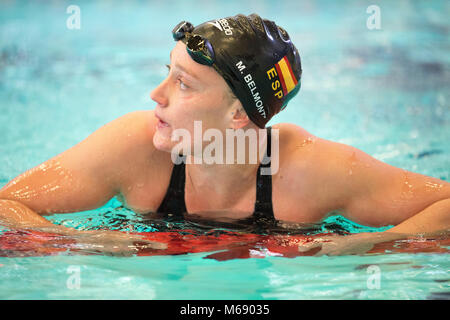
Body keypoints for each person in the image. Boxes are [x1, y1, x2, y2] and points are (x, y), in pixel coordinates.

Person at [0, 14, 449, 256]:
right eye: (167, 74)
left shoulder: (312, 172)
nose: (155, 95)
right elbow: (6, 208)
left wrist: (349, 249)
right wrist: (95, 244)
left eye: (183, 83)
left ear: (239, 114)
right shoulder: (135, 148)